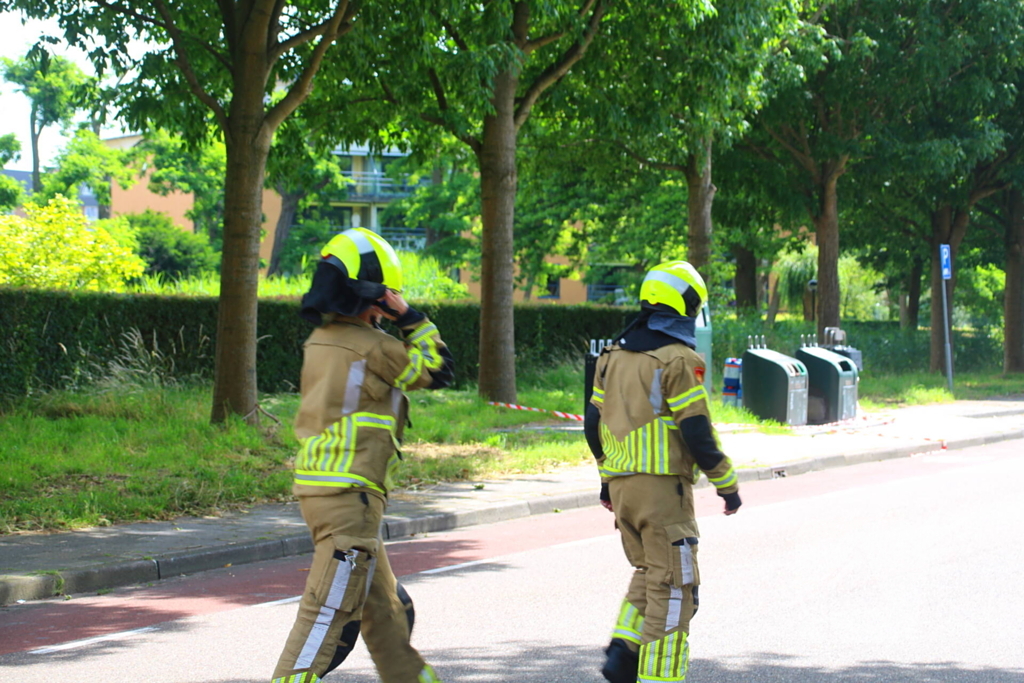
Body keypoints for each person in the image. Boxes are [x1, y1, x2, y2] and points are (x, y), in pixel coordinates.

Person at [271, 228, 454, 683]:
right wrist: (409, 315)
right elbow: (439, 369)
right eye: (386, 296)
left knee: (385, 613)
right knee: (326, 613)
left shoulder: (320, 340)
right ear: (372, 297)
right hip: (351, 495)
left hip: (320, 489)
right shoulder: (377, 349)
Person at [584, 260, 741, 683]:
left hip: (622, 491)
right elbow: (696, 431)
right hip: (662, 493)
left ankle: (622, 651)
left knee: (651, 573)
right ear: (686, 306)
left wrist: (606, 481)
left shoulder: (611, 355)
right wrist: (727, 485)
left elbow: (591, 423)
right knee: (676, 591)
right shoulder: (678, 359)